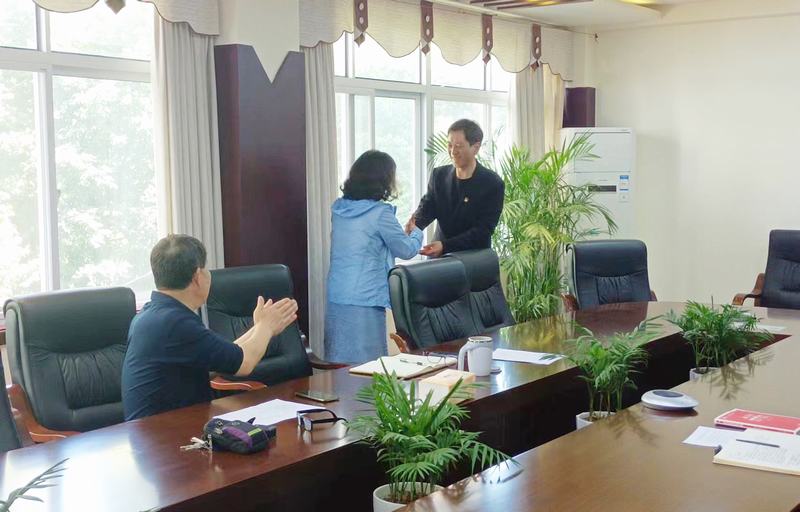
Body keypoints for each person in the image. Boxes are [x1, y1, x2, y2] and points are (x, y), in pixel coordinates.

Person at [122, 235, 298, 420]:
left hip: (161, 427)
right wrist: (266, 327)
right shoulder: (176, 324)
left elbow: (228, 354)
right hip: (166, 433)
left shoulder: (154, 315)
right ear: (198, 276)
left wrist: (259, 327)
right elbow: (244, 364)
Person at [325, 150, 423, 364]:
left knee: (340, 362)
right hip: (365, 298)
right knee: (369, 366)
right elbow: (406, 249)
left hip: (338, 294)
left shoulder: (339, 209)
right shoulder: (380, 213)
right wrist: (416, 232)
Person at [405, 119, 504, 258]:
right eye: (450, 145)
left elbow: (483, 231)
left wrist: (445, 246)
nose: (453, 151)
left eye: (458, 146)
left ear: (475, 147)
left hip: (474, 259)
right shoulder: (439, 175)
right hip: (438, 257)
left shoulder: (492, 183)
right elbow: (428, 207)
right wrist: (414, 226)